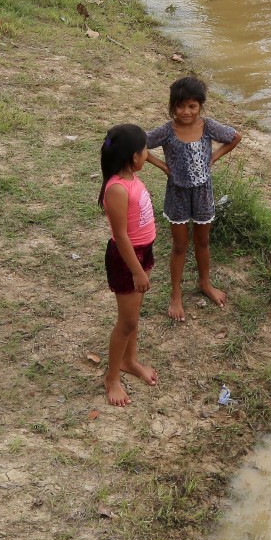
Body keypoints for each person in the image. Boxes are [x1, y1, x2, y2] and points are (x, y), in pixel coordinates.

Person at [145, 75, 239, 321]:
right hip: (177, 194)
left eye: (192, 106)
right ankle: (175, 294)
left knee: (203, 242)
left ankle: (204, 283)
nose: (185, 112)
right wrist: (163, 166)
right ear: (172, 106)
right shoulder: (167, 131)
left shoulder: (207, 127)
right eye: (180, 106)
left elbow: (235, 137)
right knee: (179, 246)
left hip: (203, 193)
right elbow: (140, 146)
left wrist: (213, 157)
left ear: (200, 106)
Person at [98, 122, 160, 406]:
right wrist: (136, 270)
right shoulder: (117, 189)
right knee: (126, 322)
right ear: (134, 157)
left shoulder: (132, 179)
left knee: (133, 317)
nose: (147, 154)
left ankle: (130, 361)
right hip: (127, 259)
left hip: (142, 252)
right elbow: (121, 236)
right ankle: (112, 377)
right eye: (145, 150)